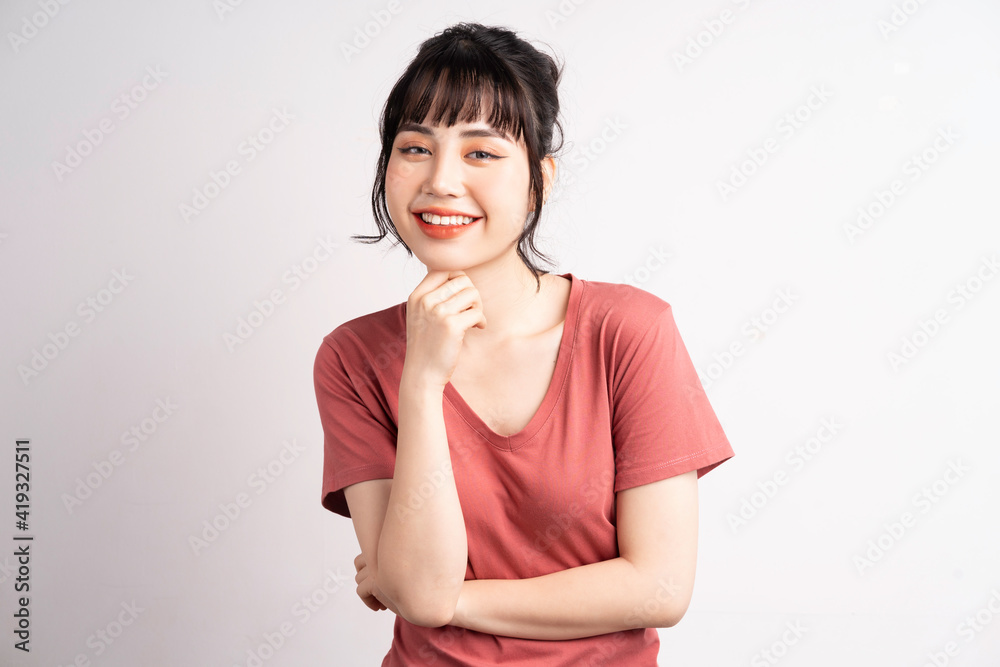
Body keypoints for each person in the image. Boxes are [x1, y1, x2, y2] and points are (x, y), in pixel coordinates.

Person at [313, 21, 735, 666]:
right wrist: (422, 384)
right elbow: (417, 587)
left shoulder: (627, 331)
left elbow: (661, 587)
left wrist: (451, 602)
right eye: (415, 147)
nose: (442, 181)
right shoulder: (353, 358)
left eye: (481, 152)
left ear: (540, 177)